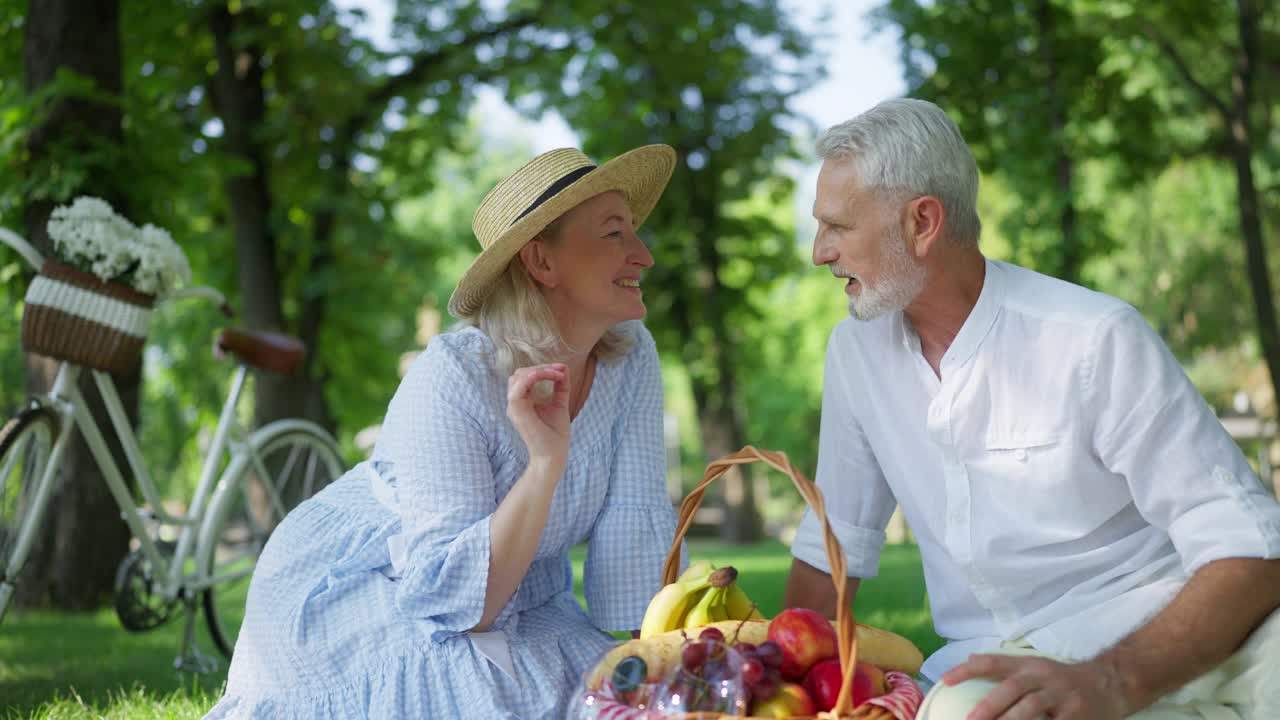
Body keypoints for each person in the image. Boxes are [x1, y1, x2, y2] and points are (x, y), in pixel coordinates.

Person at [784, 98, 1280, 720]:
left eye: (837, 226)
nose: (819, 252)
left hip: (1175, 629)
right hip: (998, 665)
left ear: (922, 223)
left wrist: (1114, 680)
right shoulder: (855, 353)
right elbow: (834, 543)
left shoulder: (1090, 337)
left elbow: (1252, 547)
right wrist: (778, 684)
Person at [205, 144, 684, 719]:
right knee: (492, 700)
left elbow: (634, 531)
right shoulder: (454, 375)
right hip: (388, 589)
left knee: (622, 697)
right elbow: (465, 607)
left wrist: (657, 666)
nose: (644, 256)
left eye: (633, 232)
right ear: (542, 263)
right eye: (615, 234)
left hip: (524, 595)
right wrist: (544, 463)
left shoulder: (630, 356)